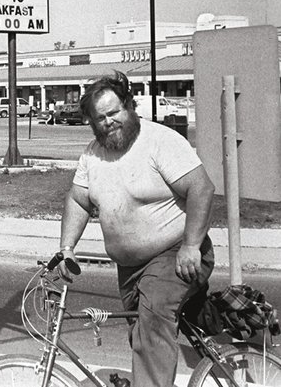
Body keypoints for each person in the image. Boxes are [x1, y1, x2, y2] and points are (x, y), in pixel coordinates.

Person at [56, 71, 215, 387]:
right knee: (141, 334)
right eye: (100, 118)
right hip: (130, 268)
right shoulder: (92, 154)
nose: (108, 122)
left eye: (114, 113)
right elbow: (77, 199)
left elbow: (202, 189)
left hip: (175, 254)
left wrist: (191, 245)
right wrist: (66, 248)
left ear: (129, 106)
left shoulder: (160, 141)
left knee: (152, 323)